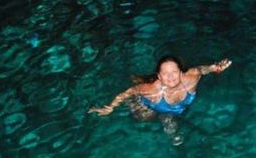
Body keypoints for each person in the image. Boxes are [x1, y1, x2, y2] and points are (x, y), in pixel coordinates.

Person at [88, 55, 232, 139]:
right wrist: (111, 108)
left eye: (174, 72)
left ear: (181, 73)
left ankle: (167, 118)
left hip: (171, 109)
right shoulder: (151, 90)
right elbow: (129, 91)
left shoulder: (191, 79)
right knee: (144, 118)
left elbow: (201, 69)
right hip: (148, 104)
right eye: (165, 73)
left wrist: (216, 68)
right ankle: (140, 79)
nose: (170, 77)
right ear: (159, 76)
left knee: (172, 129)